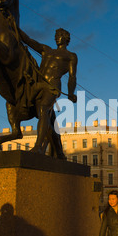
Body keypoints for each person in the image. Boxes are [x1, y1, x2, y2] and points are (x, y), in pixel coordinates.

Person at [19, 28, 78, 158]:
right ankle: (59, 151)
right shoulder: (46, 49)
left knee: (43, 111)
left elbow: (72, 77)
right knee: (49, 120)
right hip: (37, 84)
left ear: (66, 39)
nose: (57, 37)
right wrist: (15, 27)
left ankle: (38, 147)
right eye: (56, 35)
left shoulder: (71, 56)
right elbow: (28, 40)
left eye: (60, 35)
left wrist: (70, 93)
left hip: (52, 87)